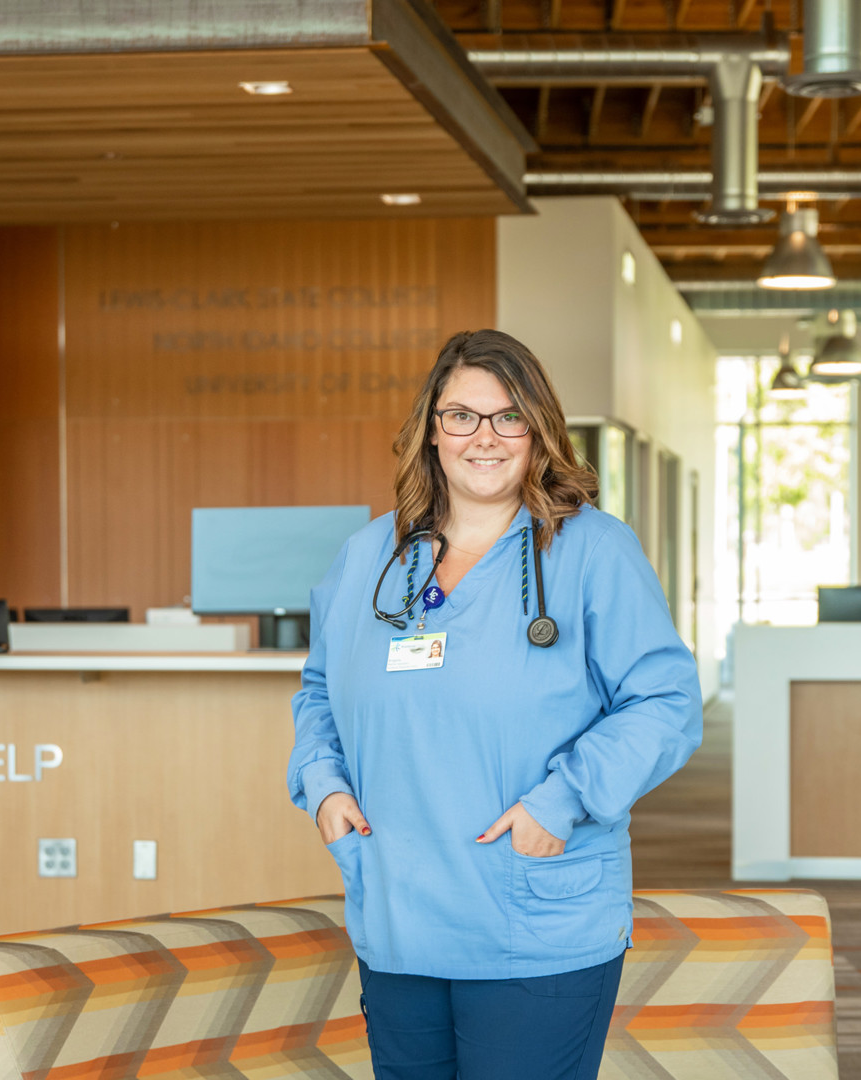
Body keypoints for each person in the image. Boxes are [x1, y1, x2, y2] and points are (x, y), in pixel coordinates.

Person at [287, 329, 704, 1080]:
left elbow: (666, 701)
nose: (484, 437)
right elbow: (319, 687)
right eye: (461, 416)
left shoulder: (593, 551)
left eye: (508, 417)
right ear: (432, 430)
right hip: (399, 910)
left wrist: (563, 800)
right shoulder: (370, 556)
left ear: (538, 430)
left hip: (531, 916)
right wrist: (322, 784)